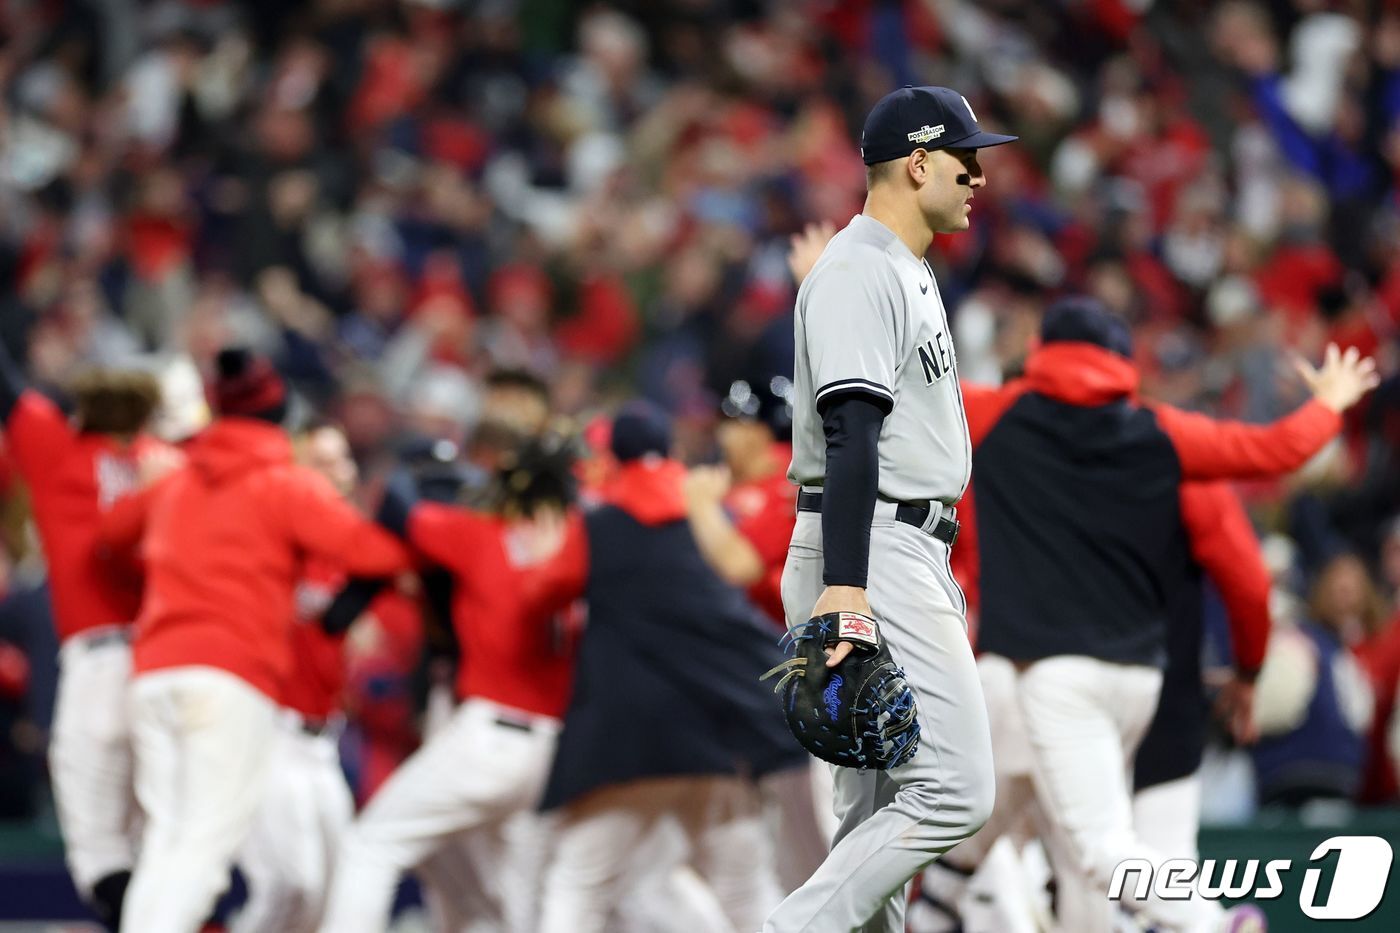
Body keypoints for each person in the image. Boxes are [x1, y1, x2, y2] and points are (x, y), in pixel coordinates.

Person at [962, 298, 1377, 932]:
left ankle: (1217, 925)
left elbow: (906, 379)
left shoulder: (993, 414)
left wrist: (829, 284)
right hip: (1150, 682)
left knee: (1095, 855)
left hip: (1052, 674)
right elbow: (1274, 456)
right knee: (1129, 859)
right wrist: (1330, 401)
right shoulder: (1162, 432)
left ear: (1043, 351)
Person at [766, 84, 1017, 933]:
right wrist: (846, 588)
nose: (978, 175)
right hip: (873, 546)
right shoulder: (861, 269)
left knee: (876, 817)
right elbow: (850, 435)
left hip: (897, 544)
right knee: (956, 787)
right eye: (965, 157)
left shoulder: (898, 267)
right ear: (917, 163)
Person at [98, 349, 412, 933]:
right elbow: (378, 553)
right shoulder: (284, 483)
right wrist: (409, 522)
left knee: (168, 848)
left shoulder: (178, 480)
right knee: (201, 852)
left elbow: (111, 535)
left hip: (153, 674)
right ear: (278, 415)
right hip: (228, 678)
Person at [534, 401, 800, 933]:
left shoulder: (598, 523)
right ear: (674, 450)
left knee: (577, 882)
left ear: (613, 456)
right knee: (745, 887)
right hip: (714, 734)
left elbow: (540, 591)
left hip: (630, 738)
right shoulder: (711, 517)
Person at [317, 433, 581, 933]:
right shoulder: (578, 551)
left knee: (371, 846)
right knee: (513, 898)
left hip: (489, 735)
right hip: (551, 748)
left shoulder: (482, 536)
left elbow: (397, 505)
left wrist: (423, 477)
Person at [0, 335, 167, 930]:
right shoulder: (168, 463)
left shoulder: (55, 446)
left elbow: (8, 382)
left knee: (99, 853)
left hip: (97, 668)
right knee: (165, 852)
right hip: (163, 668)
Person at [232, 423, 375, 933]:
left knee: (335, 897)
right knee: (291, 885)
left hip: (323, 742)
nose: (340, 474)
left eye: (343, 461)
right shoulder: (273, 543)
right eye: (323, 462)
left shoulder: (346, 548)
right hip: (270, 734)